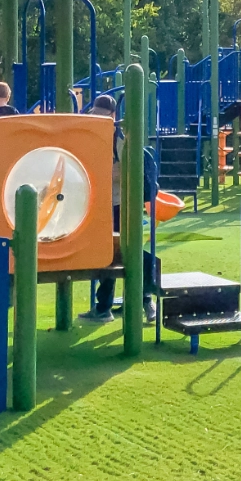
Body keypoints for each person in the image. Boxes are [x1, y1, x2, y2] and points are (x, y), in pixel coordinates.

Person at [80, 96, 158, 324]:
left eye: (101, 115)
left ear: (112, 116)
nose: (97, 119)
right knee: (107, 255)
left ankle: (143, 299)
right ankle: (105, 306)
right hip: (104, 204)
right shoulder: (95, 138)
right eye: (94, 115)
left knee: (124, 251)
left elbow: (127, 172)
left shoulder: (120, 140)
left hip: (120, 205)